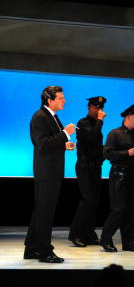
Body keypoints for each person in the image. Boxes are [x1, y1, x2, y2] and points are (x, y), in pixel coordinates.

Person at [24, 86, 76, 263]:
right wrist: (65, 134)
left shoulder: (51, 116)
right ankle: (45, 251)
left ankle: (31, 249)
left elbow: (51, 143)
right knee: (45, 212)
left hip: (51, 170)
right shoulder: (40, 117)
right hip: (46, 172)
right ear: (49, 100)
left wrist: (64, 144)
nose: (64, 101)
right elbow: (43, 145)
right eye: (61, 98)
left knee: (41, 211)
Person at [100, 105, 134, 253]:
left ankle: (128, 242)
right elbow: (107, 154)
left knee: (132, 210)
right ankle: (105, 240)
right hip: (119, 176)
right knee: (119, 209)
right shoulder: (115, 134)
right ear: (128, 118)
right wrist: (127, 153)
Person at [68, 96, 107, 247]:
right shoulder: (82, 123)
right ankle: (76, 234)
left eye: (101, 108)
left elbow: (96, 144)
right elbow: (91, 137)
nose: (99, 110)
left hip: (96, 166)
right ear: (89, 107)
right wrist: (100, 121)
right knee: (87, 200)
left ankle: (89, 233)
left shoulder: (95, 123)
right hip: (85, 166)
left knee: (95, 201)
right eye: (96, 107)